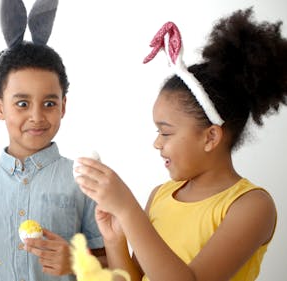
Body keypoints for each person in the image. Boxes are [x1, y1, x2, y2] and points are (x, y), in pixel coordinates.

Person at [74, 7, 285, 281]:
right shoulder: (160, 195)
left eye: (166, 133)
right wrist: (115, 239)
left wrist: (128, 210)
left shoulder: (252, 206)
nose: (156, 143)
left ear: (210, 137)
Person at [0, 1, 105, 280]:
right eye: (22, 103)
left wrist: (77, 263)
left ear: (63, 106)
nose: (37, 116)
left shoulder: (85, 182)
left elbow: (113, 267)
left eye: (49, 103)